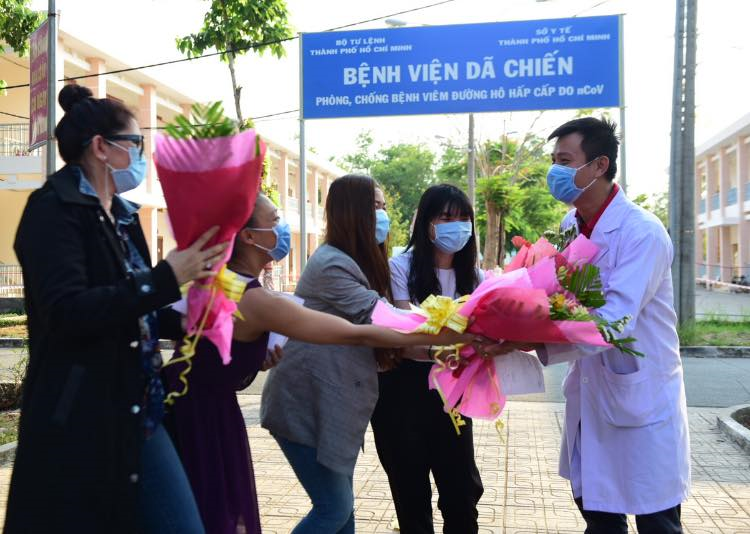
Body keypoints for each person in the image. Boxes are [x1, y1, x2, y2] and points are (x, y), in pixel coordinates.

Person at [5, 84, 227, 533]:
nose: (142, 155)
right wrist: (165, 278)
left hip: (138, 407)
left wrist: (193, 319)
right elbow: (67, 311)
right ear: (101, 148)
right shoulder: (53, 210)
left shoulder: (123, 215)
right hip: (81, 414)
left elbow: (135, 310)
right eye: (136, 143)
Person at [485, 117, 690, 533]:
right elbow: (563, 301)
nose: (554, 171)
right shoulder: (569, 226)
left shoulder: (643, 233)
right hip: (591, 390)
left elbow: (614, 322)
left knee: (656, 520)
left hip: (640, 394)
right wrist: (518, 322)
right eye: (554, 160)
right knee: (598, 513)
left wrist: (534, 339)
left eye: (564, 161)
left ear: (599, 165)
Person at [260, 175, 475, 534]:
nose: (383, 215)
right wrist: (458, 334)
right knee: (333, 510)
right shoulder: (333, 264)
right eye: (375, 206)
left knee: (342, 514)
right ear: (351, 211)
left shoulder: (361, 262)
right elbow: (385, 319)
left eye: (384, 206)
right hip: (306, 403)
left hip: (333, 404)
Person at [371, 184, 485, 534]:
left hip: (452, 392)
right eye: (446, 218)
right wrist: (451, 343)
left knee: (462, 495)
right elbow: (404, 332)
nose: (456, 226)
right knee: (411, 497)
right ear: (426, 223)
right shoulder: (400, 267)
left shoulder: (475, 276)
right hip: (403, 390)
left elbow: (480, 333)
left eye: (463, 218)